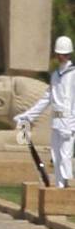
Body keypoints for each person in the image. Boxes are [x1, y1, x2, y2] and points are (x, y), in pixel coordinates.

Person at [15, 35, 74, 187]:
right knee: (56, 156)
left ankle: (66, 188)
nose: (61, 56)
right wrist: (27, 116)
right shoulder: (55, 75)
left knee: (65, 156)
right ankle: (59, 186)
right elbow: (46, 100)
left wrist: (71, 124)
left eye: (63, 54)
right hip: (56, 121)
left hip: (68, 122)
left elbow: (71, 102)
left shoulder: (73, 75)